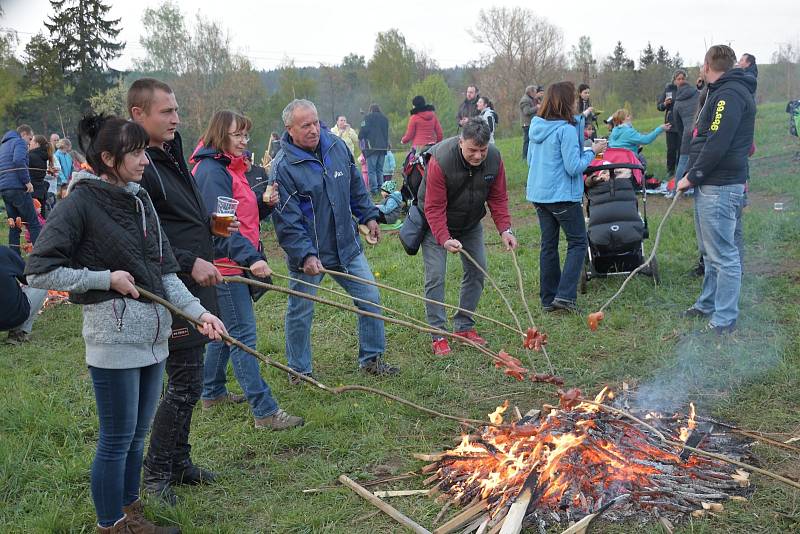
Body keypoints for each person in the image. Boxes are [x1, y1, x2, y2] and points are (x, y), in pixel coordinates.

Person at [24, 113, 226, 534]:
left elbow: (167, 273)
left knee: (138, 436)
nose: (145, 161)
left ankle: (130, 513)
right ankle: (110, 524)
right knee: (116, 441)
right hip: (113, 341)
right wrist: (105, 278)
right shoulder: (80, 202)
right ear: (108, 158)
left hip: (154, 338)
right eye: (135, 153)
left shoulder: (141, 200)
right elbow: (39, 270)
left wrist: (199, 313)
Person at [127, 78, 229, 504]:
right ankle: (155, 474)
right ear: (138, 114)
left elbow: (175, 215)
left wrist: (208, 226)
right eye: (166, 111)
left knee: (193, 372)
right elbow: (145, 235)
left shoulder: (170, 152)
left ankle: (180, 461)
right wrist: (189, 260)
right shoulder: (138, 165)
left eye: (176, 110)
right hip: (172, 284)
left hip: (197, 277)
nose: (176, 118)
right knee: (185, 381)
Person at [192, 110, 304, 431]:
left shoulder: (228, 166)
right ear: (219, 136)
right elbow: (220, 224)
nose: (244, 141)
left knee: (224, 333)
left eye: (245, 135)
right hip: (227, 267)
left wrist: (263, 201)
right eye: (237, 135)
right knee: (242, 337)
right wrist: (250, 256)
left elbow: (236, 209)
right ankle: (265, 411)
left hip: (231, 260)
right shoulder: (213, 171)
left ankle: (211, 391)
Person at [272, 99, 399, 379]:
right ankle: (299, 370)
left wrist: (368, 216)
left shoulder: (336, 146)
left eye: (316, 122)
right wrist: (305, 255)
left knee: (370, 298)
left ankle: (372, 360)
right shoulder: (283, 167)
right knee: (300, 311)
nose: (314, 129)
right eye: (305, 125)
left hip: (346, 246)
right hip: (310, 254)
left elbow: (356, 185)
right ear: (289, 129)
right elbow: (287, 221)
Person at [418, 117, 518, 355]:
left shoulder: (494, 158)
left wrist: (505, 229)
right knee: (436, 276)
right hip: (435, 223)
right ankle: (438, 334)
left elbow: (498, 197)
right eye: (472, 150)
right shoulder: (441, 160)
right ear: (461, 141)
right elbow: (433, 208)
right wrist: (443, 238)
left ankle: (463, 326)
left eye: (482, 150)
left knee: (478, 269)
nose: (478, 156)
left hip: (470, 222)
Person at [677, 45, 756, 335]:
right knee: (711, 253)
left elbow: (718, 142)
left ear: (710, 64)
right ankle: (707, 303)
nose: (700, 69)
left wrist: (692, 175)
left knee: (724, 255)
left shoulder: (728, 94)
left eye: (702, 64)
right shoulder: (721, 91)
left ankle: (724, 319)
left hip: (720, 186)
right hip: (714, 183)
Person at [527, 81, 607, 313]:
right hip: (561, 196)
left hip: (539, 195)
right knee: (578, 242)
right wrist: (593, 151)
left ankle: (548, 298)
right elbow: (573, 167)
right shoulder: (566, 130)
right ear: (566, 101)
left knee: (548, 245)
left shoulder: (536, 127)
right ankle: (565, 297)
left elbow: (533, 160)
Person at [1, 124, 42, 255]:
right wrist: (27, 182)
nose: (30, 143)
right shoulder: (19, 142)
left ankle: (14, 258)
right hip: (18, 187)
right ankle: (40, 257)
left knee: (15, 226)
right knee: (34, 223)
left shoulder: (3, 146)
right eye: (30, 139)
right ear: (23, 134)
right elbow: (18, 160)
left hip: (5, 189)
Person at [1, 245, 48, 344]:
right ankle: (18, 332)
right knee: (41, 283)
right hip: (12, 317)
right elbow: (28, 278)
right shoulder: (4, 252)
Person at [668, 73, 699, 199]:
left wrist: (684, 134)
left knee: (682, 162)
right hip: (701, 131)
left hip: (687, 133)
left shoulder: (677, 102)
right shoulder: (698, 94)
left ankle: (676, 192)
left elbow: (678, 123)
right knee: (701, 160)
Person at [657, 70, 684, 177]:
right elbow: (659, 106)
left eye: (682, 79)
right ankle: (670, 172)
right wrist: (664, 104)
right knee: (671, 150)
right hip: (670, 124)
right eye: (679, 79)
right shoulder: (668, 90)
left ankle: (680, 172)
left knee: (682, 150)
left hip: (683, 124)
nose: (681, 81)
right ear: (674, 80)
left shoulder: (686, 90)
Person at [358, 104, 390, 195]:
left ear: (370, 110)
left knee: (371, 170)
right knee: (380, 170)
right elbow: (386, 134)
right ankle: (381, 189)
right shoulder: (385, 119)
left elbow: (361, 134)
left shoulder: (367, 118)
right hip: (383, 148)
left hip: (372, 147)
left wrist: (361, 136)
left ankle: (374, 190)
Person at [28, 134, 55, 219]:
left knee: (34, 223)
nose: (29, 143)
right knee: (41, 221)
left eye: (32, 140)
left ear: (37, 144)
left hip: (33, 193)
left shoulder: (30, 156)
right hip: (40, 192)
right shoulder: (42, 156)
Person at [520, 85, 539, 160]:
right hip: (527, 124)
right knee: (527, 141)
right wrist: (537, 107)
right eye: (534, 92)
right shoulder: (525, 100)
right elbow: (526, 111)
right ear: (530, 92)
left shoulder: (530, 99)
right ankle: (525, 157)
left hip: (530, 123)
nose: (536, 93)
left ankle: (529, 156)